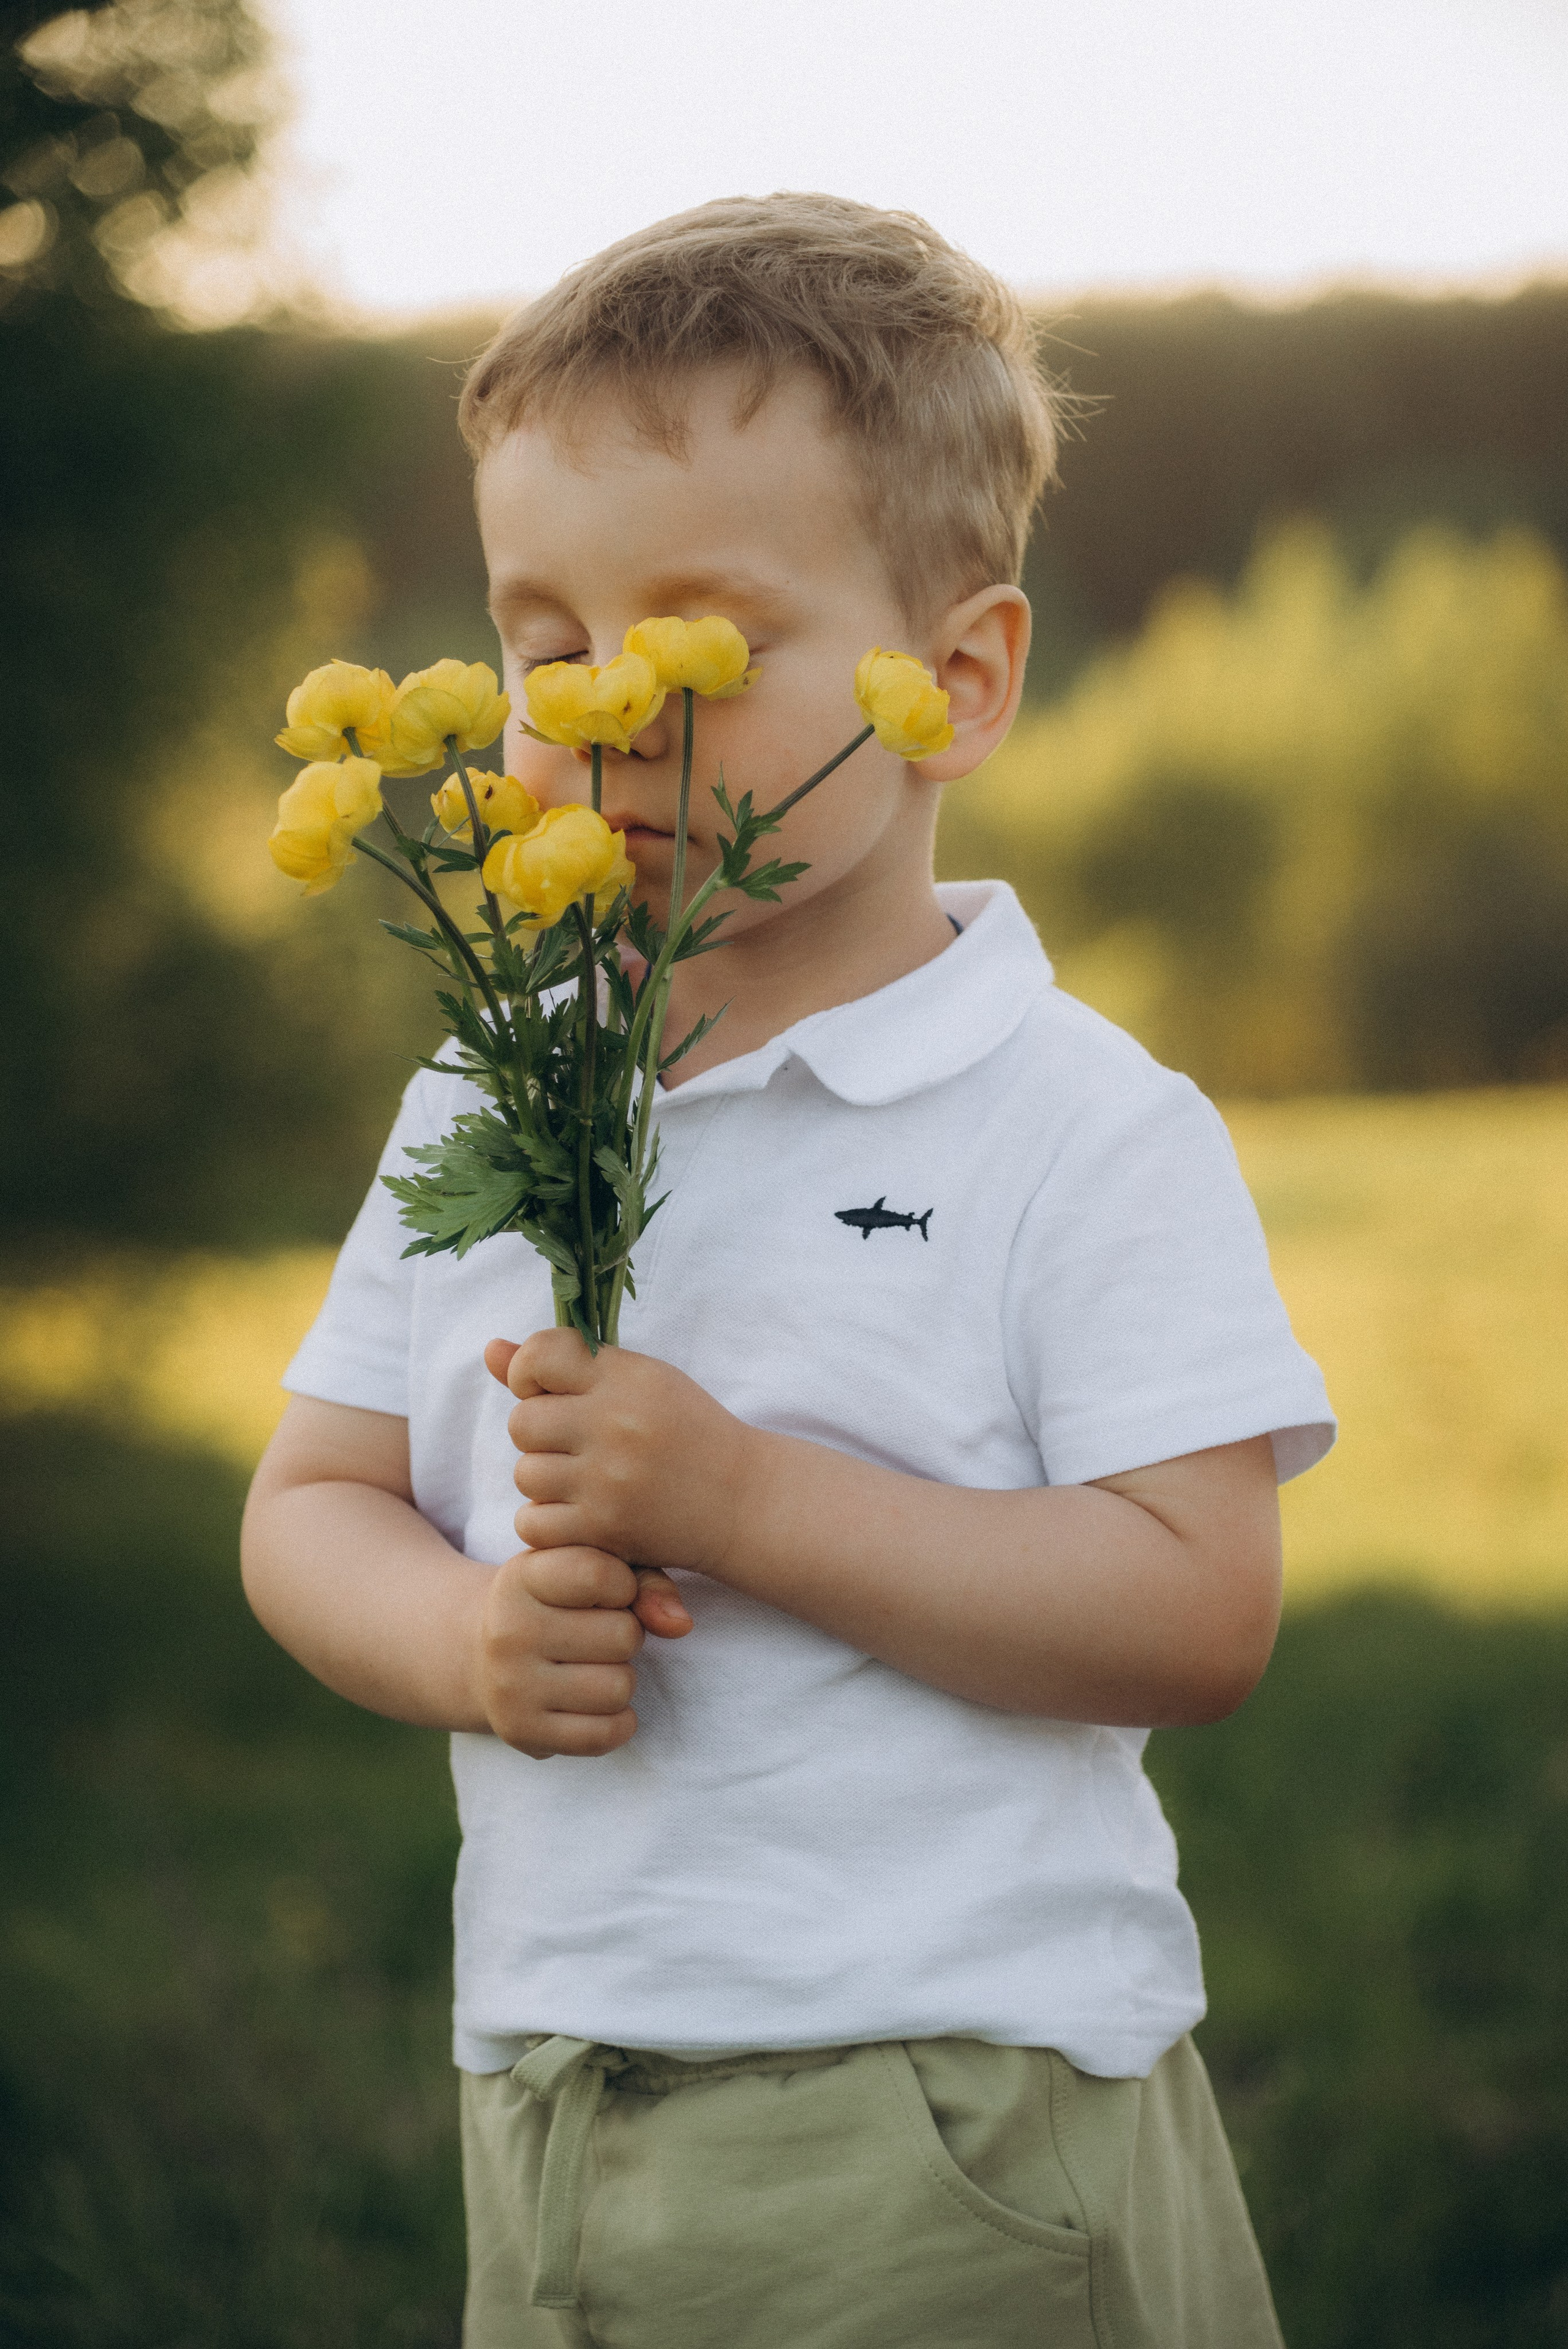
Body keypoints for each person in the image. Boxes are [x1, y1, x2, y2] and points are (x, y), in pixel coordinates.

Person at [241, 193, 1334, 2349]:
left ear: (965, 681)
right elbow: (307, 1504)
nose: (609, 710)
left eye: (700, 642)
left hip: (959, 2121)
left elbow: (1198, 1609)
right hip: (553, 2099)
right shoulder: (489, 1093)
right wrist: (467, 1633)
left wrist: (745, 1503)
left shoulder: (1080, 1124)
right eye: (548, 648)